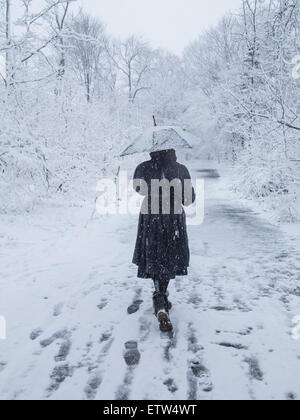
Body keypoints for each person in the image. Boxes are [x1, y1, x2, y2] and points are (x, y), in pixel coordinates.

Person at [132, 148, 195, 332]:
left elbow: (137, 189)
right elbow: (189, 199)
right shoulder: (180, 169)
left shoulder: (142, 168)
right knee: (169, 257)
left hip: (150, 217)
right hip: (172, 218)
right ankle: (161, 297)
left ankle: (160, 298)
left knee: (154, 255)